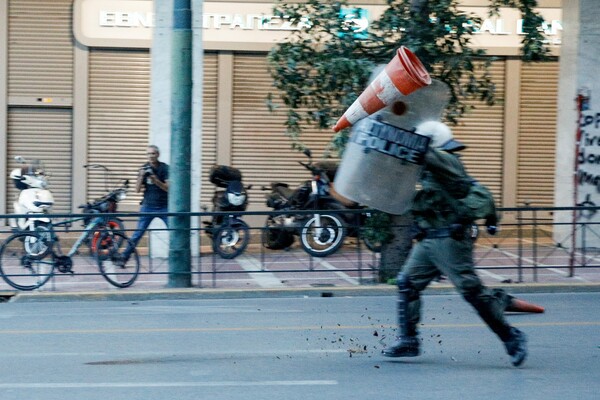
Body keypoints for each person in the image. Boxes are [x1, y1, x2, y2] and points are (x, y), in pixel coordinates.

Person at [382, 121, 528, 367]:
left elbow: (424, 153)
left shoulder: (446, 161)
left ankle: (510, 336)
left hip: (451, 240)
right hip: (430, 240)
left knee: (471, 292)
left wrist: (390, 130)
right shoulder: (429, 168)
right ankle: (409, 340)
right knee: (407, 283)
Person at [118, 145, 169, 265]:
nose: (151, 156)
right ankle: (124, 257)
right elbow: (137, 190)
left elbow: (168, 188)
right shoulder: (143, 168)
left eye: (153, 154)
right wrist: (141, 175)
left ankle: (179, 257)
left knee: (175, 231)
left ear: (158, 155)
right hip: (148, 206)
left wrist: (155, 180)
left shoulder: (165, 168)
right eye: (148, 154)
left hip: (164, 206)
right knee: (138, 234)